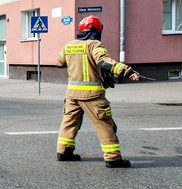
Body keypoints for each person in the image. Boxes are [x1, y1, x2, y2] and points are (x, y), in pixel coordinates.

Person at [55, 15, 139, 168]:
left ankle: (64, 152)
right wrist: (127, 71)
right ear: (96, 31)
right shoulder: (95, 45)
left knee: (69, 123)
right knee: (104, 125)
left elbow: (59, 62)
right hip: (92, 95)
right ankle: (113, 158)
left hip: (72, 94)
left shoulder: (69, 46)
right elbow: (103, 61)